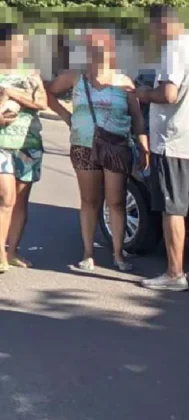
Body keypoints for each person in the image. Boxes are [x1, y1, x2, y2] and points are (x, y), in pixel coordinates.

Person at [46, 29, 148, 272]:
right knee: (89, 200)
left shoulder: (124, 83)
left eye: (102, 49)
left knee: (116, 202)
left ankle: (118, 254)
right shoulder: (75, 77)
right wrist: (65, 115)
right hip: (83, 144)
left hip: (116, 146)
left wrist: (143, 145)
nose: (97, 54)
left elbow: (137, 118)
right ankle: (88, 253)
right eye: (92, 49)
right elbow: (47, 92)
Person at [137, 5, 189, 291]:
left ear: (164, 24)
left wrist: (143, 95)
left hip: (174, 142)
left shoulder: (175, 48)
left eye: (153, 28)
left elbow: (169, 93)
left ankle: (174, 273)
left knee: (173, 209)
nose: (153, 34)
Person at [0, 25, 47, 273]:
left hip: (28, 145)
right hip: (1, 145)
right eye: (17, 43)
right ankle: (0, 255)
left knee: (20, 203)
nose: (22, 48)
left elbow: (42, 103)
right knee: (6, 198)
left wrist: (14, 95)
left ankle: (12, 251)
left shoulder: (31, 75)